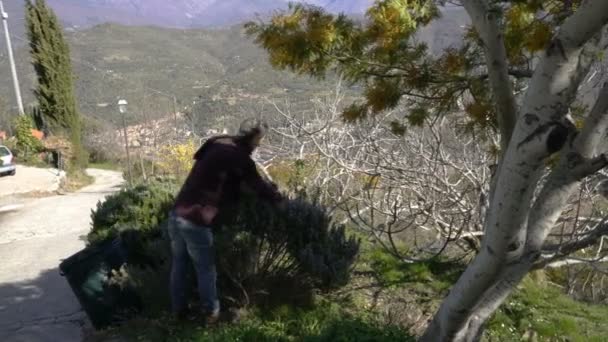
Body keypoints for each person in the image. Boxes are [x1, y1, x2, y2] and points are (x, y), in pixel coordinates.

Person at [168, 118, 283, 324]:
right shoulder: (239, 158)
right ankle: (211, 314)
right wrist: (279, 200)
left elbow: (204, 163)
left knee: (180, 264)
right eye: (259, 139)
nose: (260, 144)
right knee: (205, 268)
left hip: (177, 213)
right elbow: (258, 187)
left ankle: (178, 312)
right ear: (253, 137)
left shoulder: (217, 142)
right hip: (196, 219)